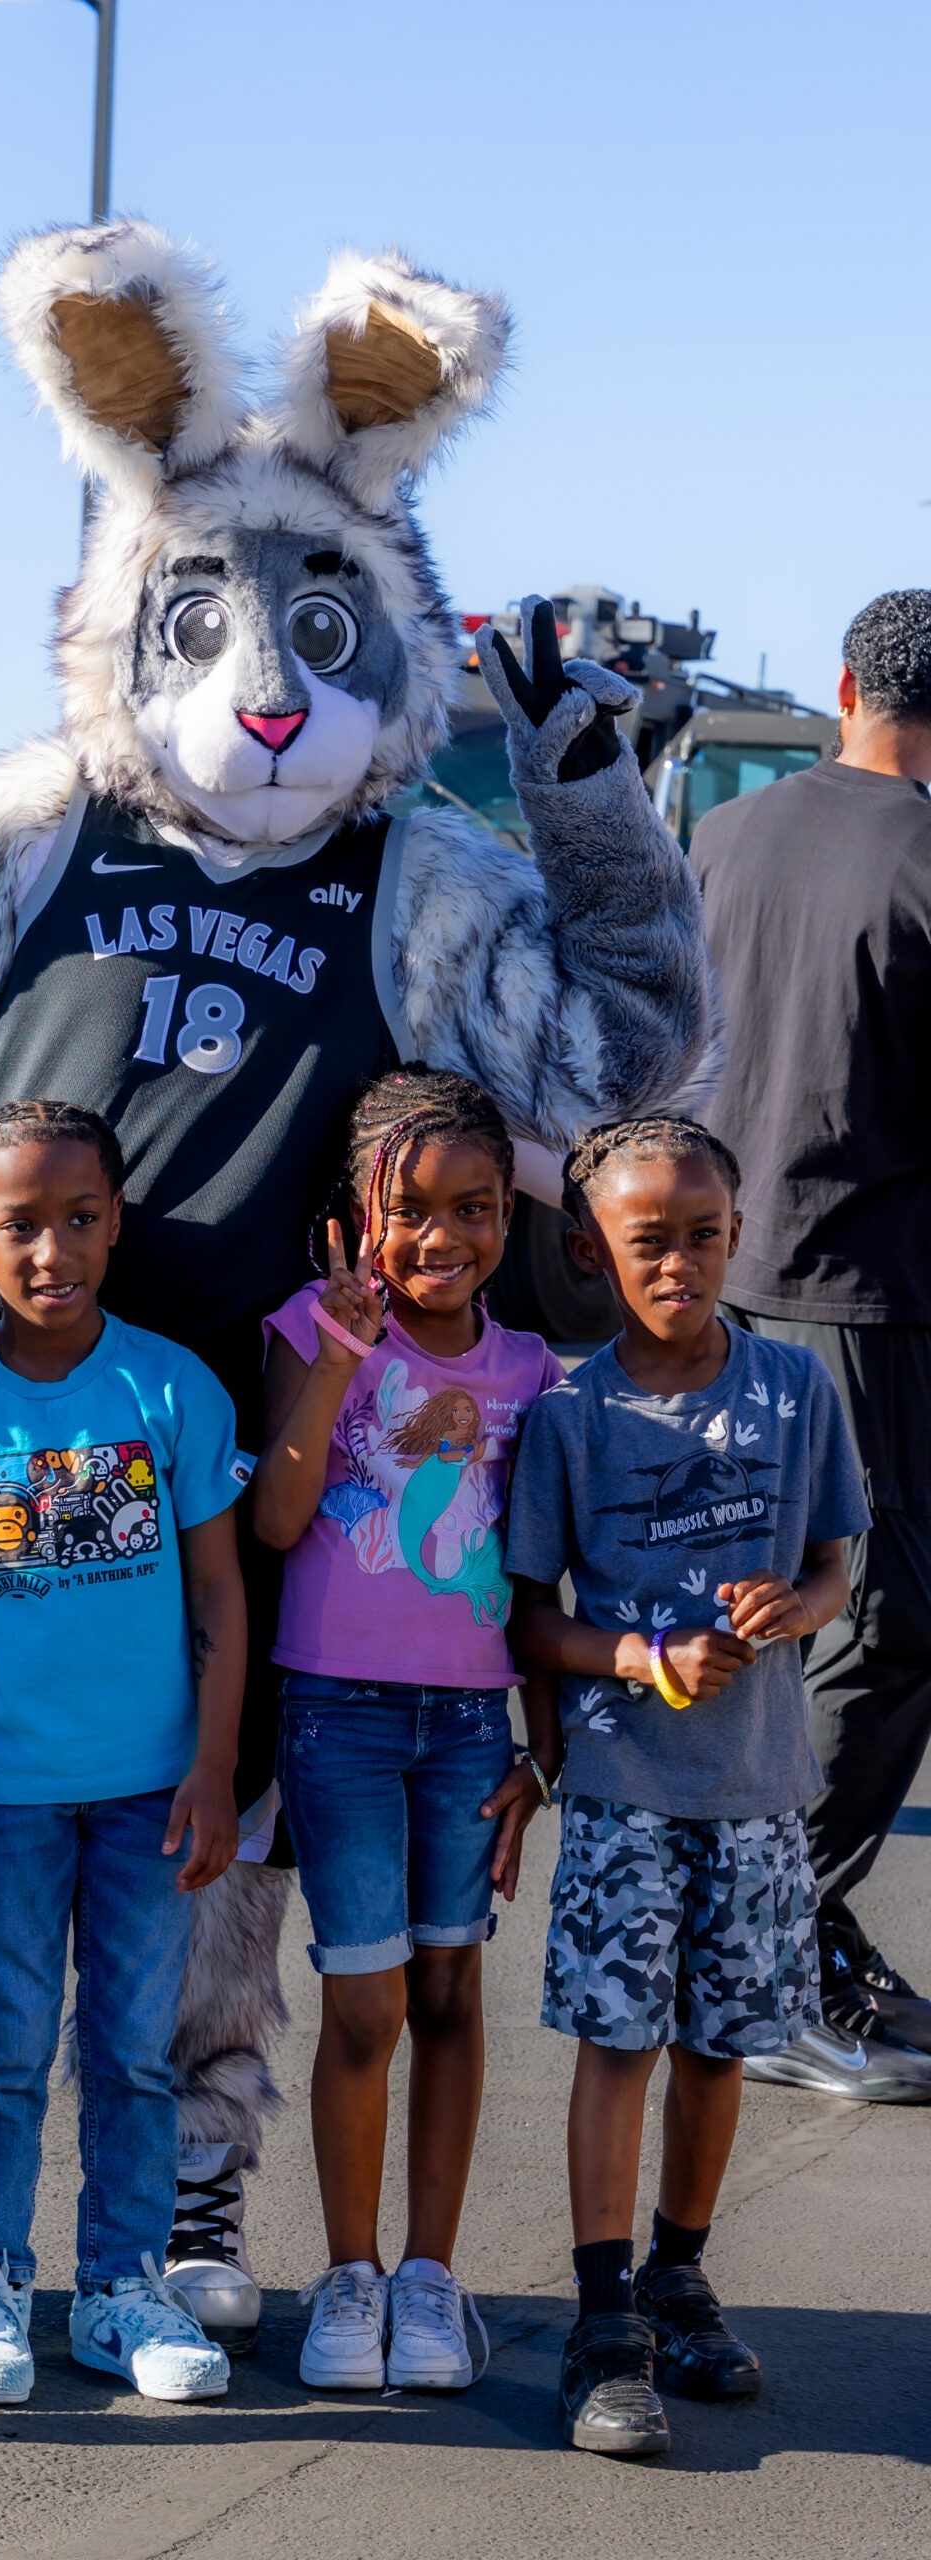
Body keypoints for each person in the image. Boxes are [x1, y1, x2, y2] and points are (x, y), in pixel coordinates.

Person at [0, 216, 716, 2357]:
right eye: (205, 620)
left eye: (317, 626)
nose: (266, 687)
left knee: (216, 1851)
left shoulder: (420, 876)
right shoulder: (41, 828)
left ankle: (184, 2195)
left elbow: (620, 1055)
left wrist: (584, 811)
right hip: (8, 1425)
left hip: (259, 1465)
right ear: (125, 621)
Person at [0, 1101, 248, 2407]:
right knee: (6, 2048)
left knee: (136, 2051)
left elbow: (221, 1596)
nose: (52, 1251)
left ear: (116, 1221)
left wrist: (213, 1768)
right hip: (6, 1792)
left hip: (149, 1790)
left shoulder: (169, 1387)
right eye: (19, 1226)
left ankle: (120, 2288)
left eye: (79, 1219)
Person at [507, 1118, 868, 2458]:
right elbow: (528, 1621)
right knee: (622, 2043)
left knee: (723, 2044)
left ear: (733, 1238)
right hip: (621, 1790)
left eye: (703, 1237)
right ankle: (604, 2325)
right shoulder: (571, 1414)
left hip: (761, 1791)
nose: (679, 1263)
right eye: (647, 1240)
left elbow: (837, 1563)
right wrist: (642, 1656)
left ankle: (679, 2275)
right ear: (592, 1251)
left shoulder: (794, 1389)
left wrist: (793, 1609)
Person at [255, 1067, 561, 2392]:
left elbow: (544, 1582)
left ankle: (432, 2280)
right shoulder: (313, 1332)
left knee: (450, 1991)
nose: (445, 1238)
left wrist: (542, 1752)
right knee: (365, 2001)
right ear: (356, 1213)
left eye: (477, 1209)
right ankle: (349, 2274)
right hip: (339, 1717)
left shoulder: (536, 1370)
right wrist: (337, 1356)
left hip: (471, 1730)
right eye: (413, 1210)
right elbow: (275, 1522)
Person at [692, 589, 931, 2095]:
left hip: (710, 1287)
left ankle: (786, 1938)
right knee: (886, 1621)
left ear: (843, 684)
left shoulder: (719, 839)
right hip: (866, 1296)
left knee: (769, 1614)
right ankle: (775, 1957)